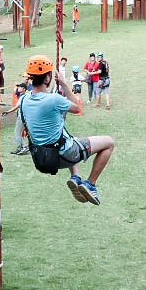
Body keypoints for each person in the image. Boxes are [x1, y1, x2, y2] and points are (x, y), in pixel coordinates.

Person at [19, 55, 116, 205]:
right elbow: (77, 107)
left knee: (73, 139)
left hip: (41, 159)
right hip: (63, 155)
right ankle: (90, 183)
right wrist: (64, 84)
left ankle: (75, 177)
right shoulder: (53, 99)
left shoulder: (23, 100)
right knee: (109, 142)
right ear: (47, 78)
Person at [3, 82, 30, 155]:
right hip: (25, 117)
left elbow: (16, 107)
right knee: (19, 133)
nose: (18, 88)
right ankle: (20, 148)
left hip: (21, 117)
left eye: (20, 87)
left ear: (24, 89)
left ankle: (24, 147)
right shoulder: (25, 96)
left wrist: (7, 112)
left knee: (17, 132)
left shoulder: (23, 97)